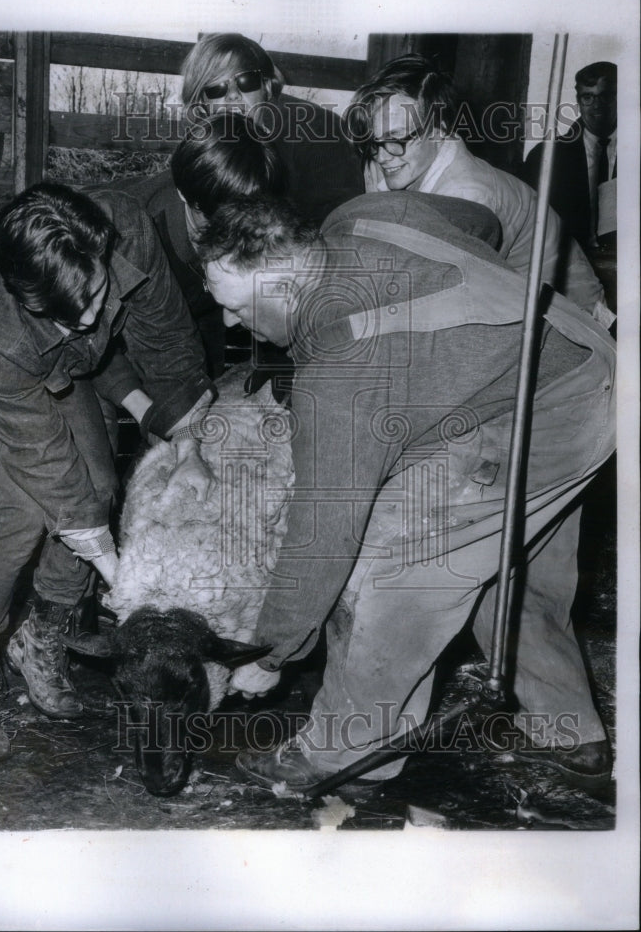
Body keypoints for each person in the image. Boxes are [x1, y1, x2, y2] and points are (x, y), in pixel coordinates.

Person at [195, 191, 616, 792]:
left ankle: (344, 752)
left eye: (237, 307)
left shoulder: (339, 375)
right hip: (573, 352)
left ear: (286, 286)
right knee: (503, 568)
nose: (231, 323)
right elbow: (480, 222)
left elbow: (325, 534)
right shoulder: (357, 214)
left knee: (390, 572)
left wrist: (269, 654)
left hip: (550, 414)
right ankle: (570, 730)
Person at [0, 182, 216, 762]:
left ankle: (41, 634)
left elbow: (166, 336)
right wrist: (120, 582)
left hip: (49, 352)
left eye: (99, 294)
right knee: (23, 507)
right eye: (71, 313)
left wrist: (189, 439)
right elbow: (44, 460)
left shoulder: (125, 227)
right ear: (31, 300)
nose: (95, 317)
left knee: (99, 487)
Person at [344, 54, 613, 328]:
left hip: (570, 319)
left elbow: (436, 297)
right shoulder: (401, 161)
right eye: (373, 141)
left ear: (439, 130)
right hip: (513, 303)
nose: (381, 156)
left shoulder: (469, 197)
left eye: (396, 139)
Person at [88, 110, 288, 379]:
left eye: (244, 224)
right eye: (216, 222)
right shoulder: (129, 236)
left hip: (196, 314)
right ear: (182, 193)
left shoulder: (259, 203)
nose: (230, 238)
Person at [179, 33, 365, 227]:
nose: (233, 95)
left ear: (266, 86)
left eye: (246, 81)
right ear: (201, 101)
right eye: (217, 88)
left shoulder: (317, 132)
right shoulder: (205, 141)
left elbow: (342, 219)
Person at [522, 61, 617, 264]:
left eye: (606, 96)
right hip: (569, 271)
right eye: (588, 97)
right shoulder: (544, 159)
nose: (597, 105)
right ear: (578, 101)